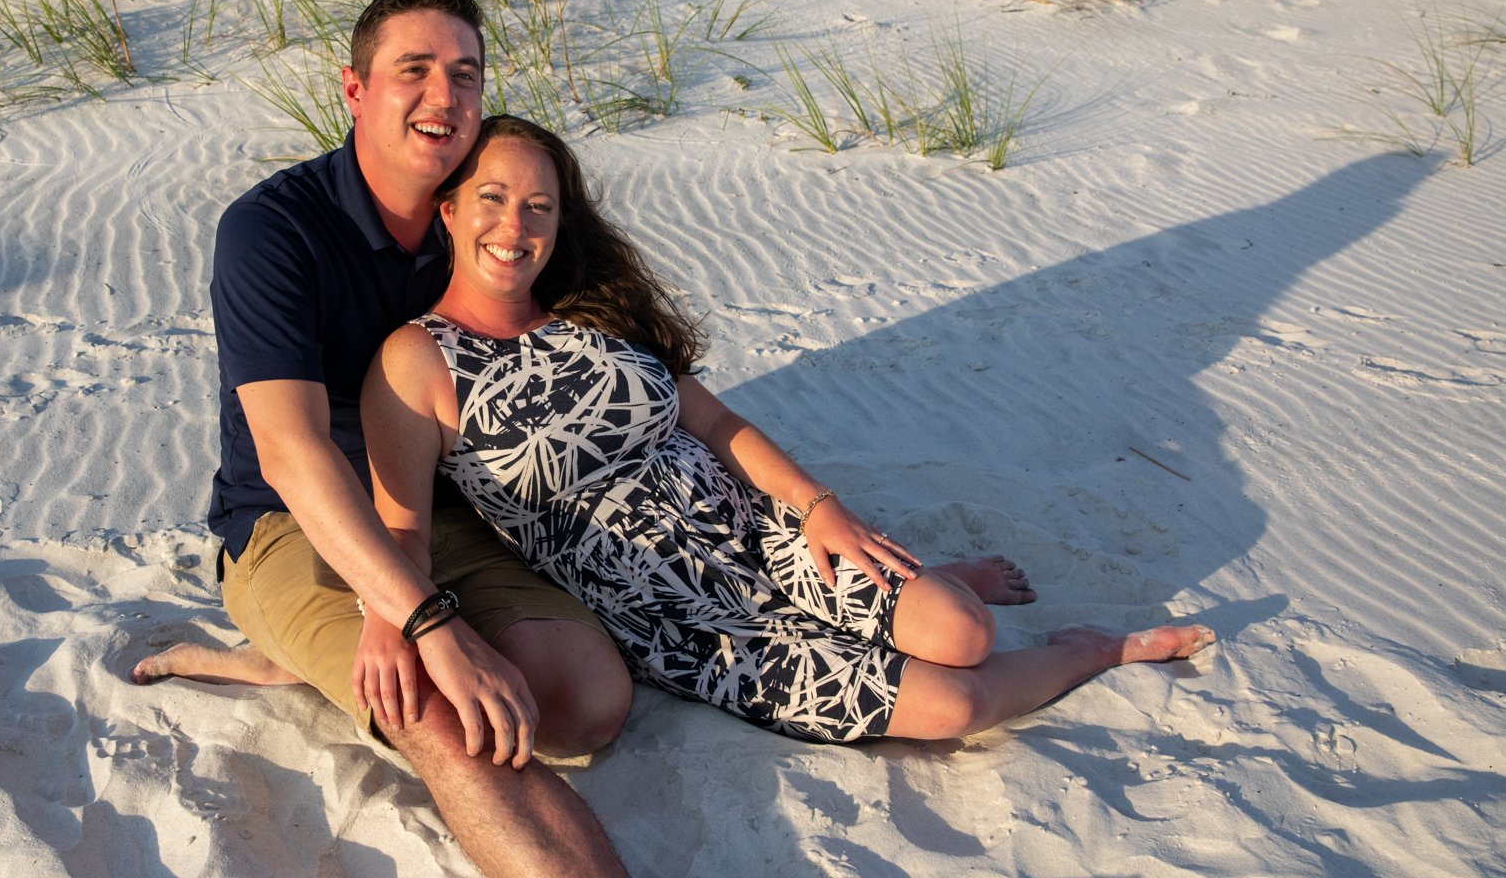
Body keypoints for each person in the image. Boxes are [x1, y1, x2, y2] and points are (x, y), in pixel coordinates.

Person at [130, 0, 764, 878]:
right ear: (354, 89)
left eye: (464, 74)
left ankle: (301, 664)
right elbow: (291, 453)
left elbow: (617, 355)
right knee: (444, 710)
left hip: (447, 505)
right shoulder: (274, 232)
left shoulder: (484, 210)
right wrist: (416, 614)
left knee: (585, 703)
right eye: (414, 71)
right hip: (294, 525)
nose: (444, 96)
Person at [358, 115, 1216, 746]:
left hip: (763, 534)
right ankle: (1094, 650)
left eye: (539, 206)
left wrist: (819, 508)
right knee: (957, 705)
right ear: (448, 211)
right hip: (684, 617)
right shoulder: (417, 361)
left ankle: (949, 587)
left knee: (965, 634)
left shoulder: (594, 315)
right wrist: (394, 626)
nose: (515, 227)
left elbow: (715, 421)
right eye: (493, 199)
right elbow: (402, 532)